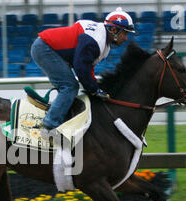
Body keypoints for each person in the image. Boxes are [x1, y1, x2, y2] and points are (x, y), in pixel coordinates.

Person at [30, 7, 136, 137]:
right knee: (70, 86)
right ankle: (49, 127)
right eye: (125, 33)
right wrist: (94, 89)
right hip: (44, 48)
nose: (125, 38)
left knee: (70, 86)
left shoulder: (102, 42)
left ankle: (58, 115)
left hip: (46, 47)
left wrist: (95, 87)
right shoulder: (96, 40)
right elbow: (81, 69)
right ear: (114, 30)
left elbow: (88, 67)